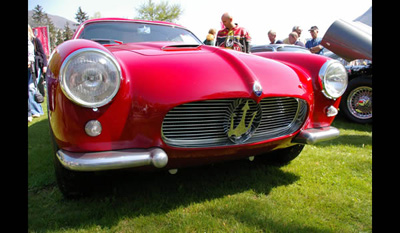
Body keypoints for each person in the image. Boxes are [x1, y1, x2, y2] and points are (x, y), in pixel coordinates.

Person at [28, 25, 45, 121]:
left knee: (31, 88)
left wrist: (45, 66)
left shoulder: (34, 41)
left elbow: (42, 53)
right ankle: (33, 110)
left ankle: (37, 111)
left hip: (34, 67)